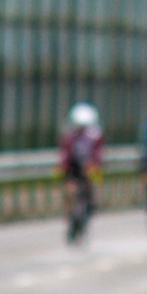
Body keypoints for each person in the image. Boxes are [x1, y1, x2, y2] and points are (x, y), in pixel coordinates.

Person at [60, 99, 104, 237]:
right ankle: (68, 216)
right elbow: (65, 153)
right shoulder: (69, 136)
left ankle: (91, 207)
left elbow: (98, 153)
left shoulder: (95, 136)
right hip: (73, 167)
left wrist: (94, 167)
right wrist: (62, 167)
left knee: (90, 187)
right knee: (70, 191)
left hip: (88, 167)